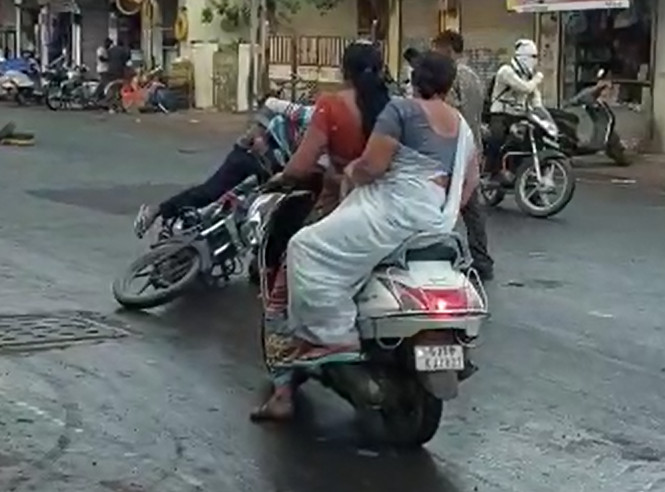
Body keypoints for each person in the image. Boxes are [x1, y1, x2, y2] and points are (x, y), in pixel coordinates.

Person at [252, 50, 479, 421]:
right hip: (435, 220)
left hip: (391, 212)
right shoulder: (462, 126)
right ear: (450, 83)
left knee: (304, 248)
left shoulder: (400, 111)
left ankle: (333, 339)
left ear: (414, 77)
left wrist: (352, 176)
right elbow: (468, 185)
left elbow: (373, 165)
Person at [251, 41, 391, 421]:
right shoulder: (394, 108)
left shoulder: (331, 106)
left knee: (282, 285)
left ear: (343, 69)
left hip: (338, 207)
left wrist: (280, 178)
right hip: (389, 213)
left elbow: (301, 165)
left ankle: (282, 393)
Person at [133, 98, 313, 237]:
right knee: (211, 192)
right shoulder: (309, 115)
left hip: (274, 170)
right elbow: (271, 104)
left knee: (269, 215)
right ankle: (157, 210)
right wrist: (259, 135)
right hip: (251, 154)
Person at [431, 30, 493, 280]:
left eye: (436, 49)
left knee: (441, 202)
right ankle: (481, 258)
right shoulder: (474, 77)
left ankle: (437, 255)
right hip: (473, 145)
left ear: (447, 49)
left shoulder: (452, 76)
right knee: (472, 206)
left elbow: (450, 110)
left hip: (453, 146)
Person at [487, 38, 544, 185]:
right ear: (523, 57)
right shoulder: (506, 71)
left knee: (531, 139)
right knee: (498, 138)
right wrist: (538, 78)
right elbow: (525, 88)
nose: (535, 61)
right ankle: (493, 172)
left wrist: (539, 110)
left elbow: (534, 95)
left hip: (519, 115)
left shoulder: (528, 75)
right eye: (533, 57)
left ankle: (522, 171)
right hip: (500, 113)